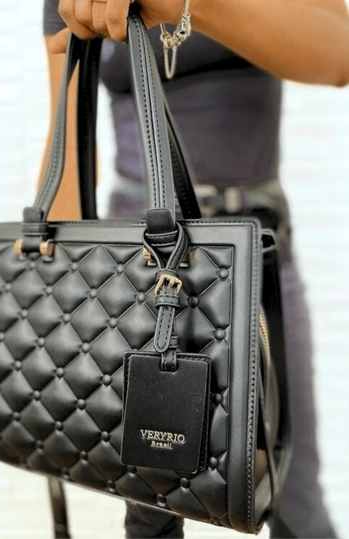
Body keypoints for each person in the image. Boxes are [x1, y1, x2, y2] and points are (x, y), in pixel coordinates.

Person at [41, 0, 349, 537]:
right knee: (147, 504)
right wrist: (57, 286)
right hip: (136, 264)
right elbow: (67, 139)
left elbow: (340, 52)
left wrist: (187, 5)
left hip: (256, 252)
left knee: (290, 489)